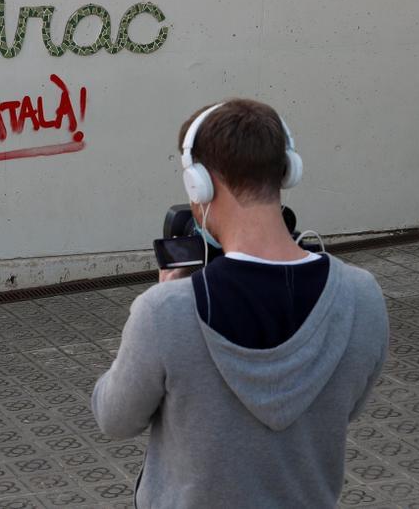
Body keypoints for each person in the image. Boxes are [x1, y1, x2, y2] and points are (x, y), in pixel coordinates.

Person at [91, 98, 388, 509]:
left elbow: (114, 418)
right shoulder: (362, 297)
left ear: (200, 184)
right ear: (286, 171)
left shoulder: (166, 312)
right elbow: (342, 410)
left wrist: (159, 300)